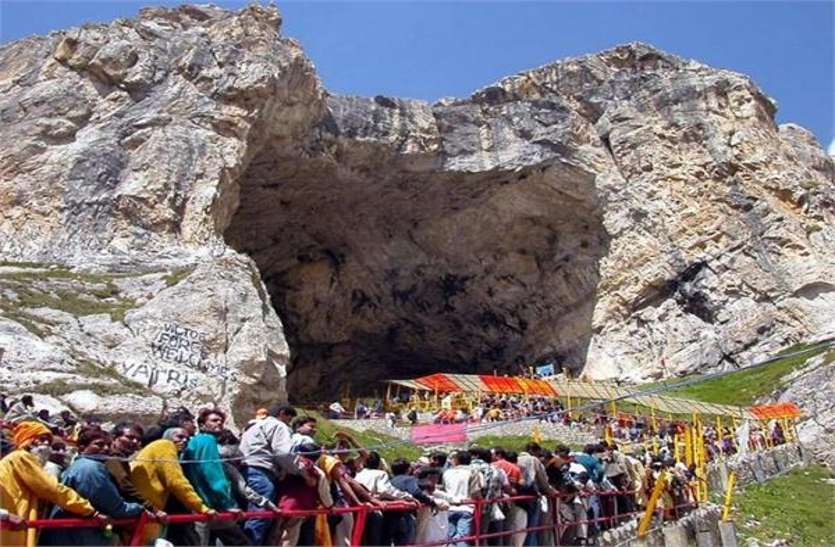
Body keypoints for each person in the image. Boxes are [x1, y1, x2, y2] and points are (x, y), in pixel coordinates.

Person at [0, 421, 107, 547]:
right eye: (42, 439)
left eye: (49, 442)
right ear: (28, 439)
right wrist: (89, 510)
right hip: (11, 521)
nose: (46, 445)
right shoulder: (20, 457)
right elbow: (50, 488)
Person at [40, 428, 147, 546]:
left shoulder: (82, 465)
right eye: (99, 445)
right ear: (81, 448)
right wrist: (140, 508)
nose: (106, 449)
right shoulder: (90, 469)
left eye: (108, 445)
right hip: (78, 536)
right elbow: (115, 507)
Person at [130, 427, 215, 545]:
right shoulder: (165, 446)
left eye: (187, 438)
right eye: (179, 437)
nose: (185, 440)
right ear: (168, 436)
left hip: (145, 509)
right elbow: (176, 481)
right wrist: (202, 508)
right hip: (147, 510)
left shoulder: (156, 449)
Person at [183, 408, 248, 546]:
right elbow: (212, 473)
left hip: (199, 503)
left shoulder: (195, 442)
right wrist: (227, 503)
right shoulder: (207, 441)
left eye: (221, 421)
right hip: (212, 505)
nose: (219, 423)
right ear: (202, 425)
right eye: (214, 420)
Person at [239, 403, 297, 545]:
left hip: (245, 470)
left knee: (249, 513)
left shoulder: (252, 427)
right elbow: (283, 453)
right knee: (260, 515)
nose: (288, 422)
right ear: (282, 413)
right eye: (289, 418)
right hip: (262, 471)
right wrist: (296, 470)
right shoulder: (279, 426)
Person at [438, 450, 484, 547]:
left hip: (449, 507)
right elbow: (475, 492)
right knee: (462, 538)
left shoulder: (447, 472)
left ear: (457, 460)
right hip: (466, 507)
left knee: (449, 537)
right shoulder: (473, 472)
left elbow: (444, 489)